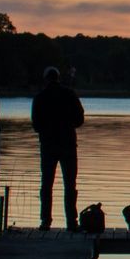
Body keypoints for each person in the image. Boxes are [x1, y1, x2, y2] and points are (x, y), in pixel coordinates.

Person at [31, 65, 84, 228]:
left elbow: (36, 125)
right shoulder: (70, 94)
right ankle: (72, 221)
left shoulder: (40, 97)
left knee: (47, 185)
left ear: (46, 79)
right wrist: (67, 126)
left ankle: (45, 221)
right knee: (70, 185)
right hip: (68, 145)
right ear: (58, 77)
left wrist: (48, 130)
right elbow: (80, 119)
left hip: (48, 146)